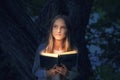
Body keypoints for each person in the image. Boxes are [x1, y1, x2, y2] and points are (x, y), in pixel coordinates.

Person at [32, 15, 80, 80]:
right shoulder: (43, 48)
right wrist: (47, 73)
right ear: (51, 29)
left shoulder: (73, 49)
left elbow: (75, 73)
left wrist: (67, 73)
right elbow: (35, 71)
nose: (58, 30)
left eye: (62, 27)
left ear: (67, 30)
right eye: (55, 27)